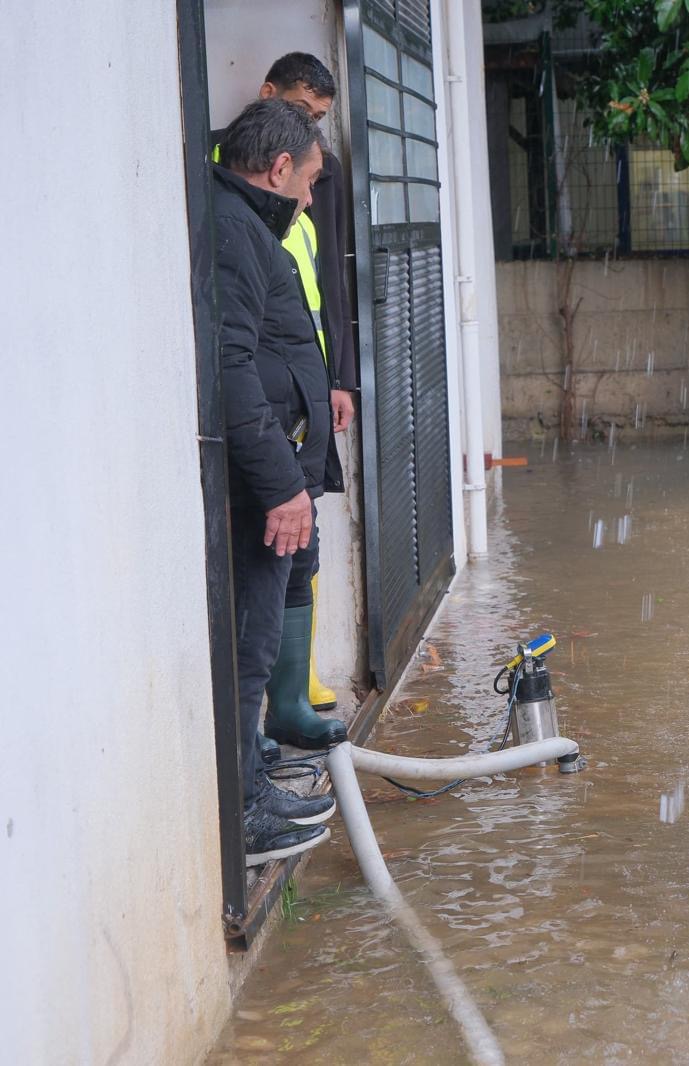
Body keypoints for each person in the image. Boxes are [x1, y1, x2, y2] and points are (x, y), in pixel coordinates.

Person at [212, 99, 340, 864]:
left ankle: (251, 771)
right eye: (311, 180)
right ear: (280, 167)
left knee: (258, 634)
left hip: (274, 472)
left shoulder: (245, 226)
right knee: (249, 643)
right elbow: (230, 369)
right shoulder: (236, 232)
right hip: (260, 484)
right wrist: (281, 485)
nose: (309, 199)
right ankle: (245, 816)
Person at [253, 53, 357, 753]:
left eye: (319, 120)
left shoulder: (312, 186)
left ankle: (295, 695)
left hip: (307, 391)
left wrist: (337, 378)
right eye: (300, 112)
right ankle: (269, 712)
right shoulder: (239, 184)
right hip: (266, 405)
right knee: (271, 555)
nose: (309, 128)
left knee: (304, 549)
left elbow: (329, 290)